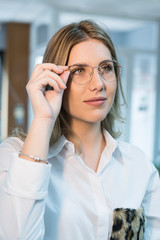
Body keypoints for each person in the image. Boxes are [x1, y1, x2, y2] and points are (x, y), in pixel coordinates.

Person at [0, 20, 160, 240]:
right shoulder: (14, 156)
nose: (99, 84)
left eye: (106, 68)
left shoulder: (139, 165)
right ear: (54, 80)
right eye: (79, 71)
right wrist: (44, 118)